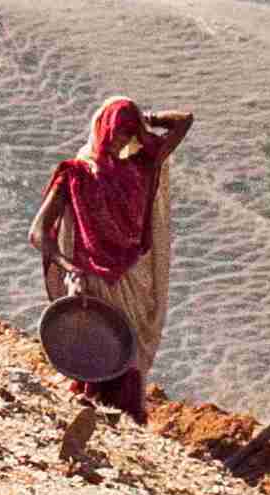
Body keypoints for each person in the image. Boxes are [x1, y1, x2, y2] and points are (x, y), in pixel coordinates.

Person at [32, 97, 190, 451]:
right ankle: (89, 430)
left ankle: (126, 433)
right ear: (101, 128)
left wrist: (141, 115)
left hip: (133, 280)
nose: (121, 139)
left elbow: (184, 121)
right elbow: (39, 232)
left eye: (128, 133)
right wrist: (70, 267)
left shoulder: (140, 168)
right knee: (98, 353)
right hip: (94, 280)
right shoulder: (74, 174)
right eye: (116, 131)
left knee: (127, 354)